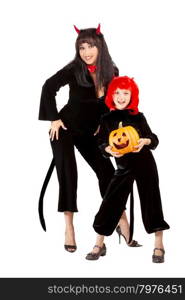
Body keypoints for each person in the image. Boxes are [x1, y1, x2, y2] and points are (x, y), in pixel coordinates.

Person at [38, 25, 132, 253]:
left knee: (108, 172)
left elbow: (113, 104)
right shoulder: (74, 69)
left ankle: (120, 216)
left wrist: (106, 126)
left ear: (100, 46)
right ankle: (69, 226)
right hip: (65, 129)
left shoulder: (113, 71)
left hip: (91, 132)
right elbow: (48, 87)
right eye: (82, 47)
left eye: (90, 46)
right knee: (68, 173)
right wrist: (53, 119)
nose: (86, 51)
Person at [86, 76, 170, 262]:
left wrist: (145, 141)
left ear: (132, 95)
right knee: (110, 202)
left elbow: (153, 138)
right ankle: (99, 243)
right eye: (117, 93)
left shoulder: (138, 117)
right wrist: (108, 149)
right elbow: (100, 143)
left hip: (145, 163)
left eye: (125, 93)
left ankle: (159, 243)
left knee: (151, 200)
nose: (121, 97)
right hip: (123, 167)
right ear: (112, 95)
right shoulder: (106, 119)